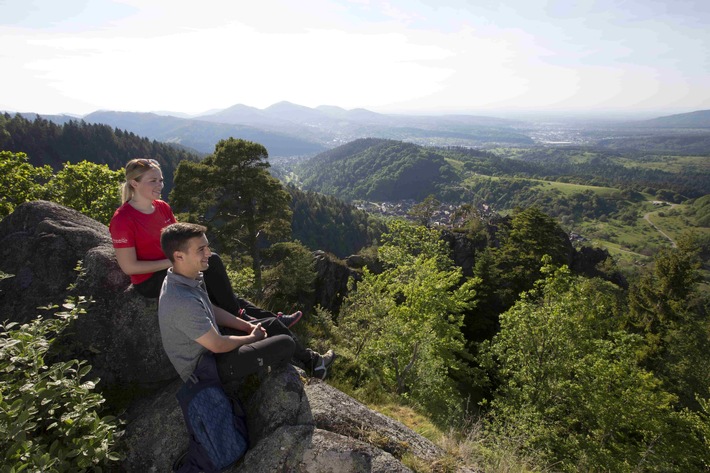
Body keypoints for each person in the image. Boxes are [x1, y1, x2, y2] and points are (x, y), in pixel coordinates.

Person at [108, 157, 301, 327]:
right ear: (134, 183)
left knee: (215, 269)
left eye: (161, 180)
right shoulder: (123, 219)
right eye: (153, 181)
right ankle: (255, 320)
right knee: (216, 285)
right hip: (150, 280)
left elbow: (180, 240)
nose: (160, 185)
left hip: (175, 266)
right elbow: (129, 267)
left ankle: (263, 320)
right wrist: (174, 262)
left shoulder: (162, 207)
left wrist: (195, 255)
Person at [158, 222, 335, 381]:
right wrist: (252, 337)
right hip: (208, 368)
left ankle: (314, 363)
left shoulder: (186, 276)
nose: (209, 253)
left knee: (272, 324)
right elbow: (218, 345)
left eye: (207, 247)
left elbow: (210, 309)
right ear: (179, 256)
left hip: (212, 347)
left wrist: (247, 326)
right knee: (284, 344)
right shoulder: (181, 299)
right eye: (201, 249)